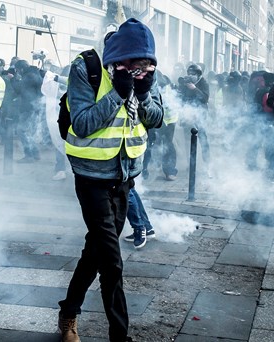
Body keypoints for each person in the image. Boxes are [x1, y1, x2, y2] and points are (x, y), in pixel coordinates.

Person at [57, 18, 163, 342]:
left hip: (124, 179)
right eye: (134, 68)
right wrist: (118, 92)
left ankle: (68, 313)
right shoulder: (85, 68)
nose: (140, 73)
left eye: (146, 69)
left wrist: (143, 94)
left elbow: (157, 119)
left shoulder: (146, 74)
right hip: (91, 178)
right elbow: (84, 122)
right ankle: (121, 337)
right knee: (112, 264)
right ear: (119, 59)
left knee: (97, 253)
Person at [178, 63, 211, 177]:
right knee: (188, 140)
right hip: (188, 114)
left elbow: (205, 98)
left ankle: (207, 165)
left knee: (203, 139)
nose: (190, 76)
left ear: (198, 75)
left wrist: (195, 89)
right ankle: (190, 164)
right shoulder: (185, 83)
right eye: (189, 73)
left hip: (200, 114)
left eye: (193, 74)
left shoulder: (203, 83)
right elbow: (181, 98)